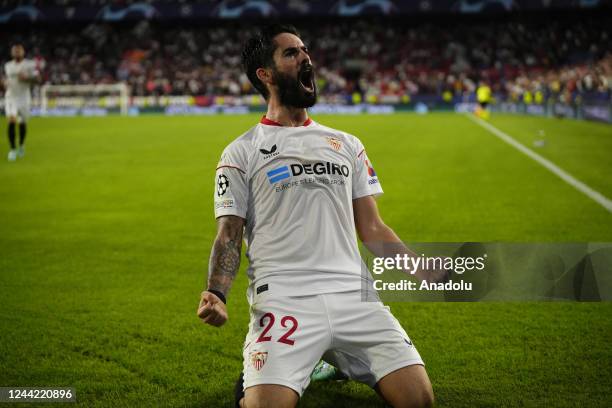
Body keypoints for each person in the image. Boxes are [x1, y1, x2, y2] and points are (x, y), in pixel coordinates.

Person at [197, 24, 444, 408]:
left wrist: (420, 270)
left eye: (305, 50)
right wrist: (216, 293)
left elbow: (373, 227)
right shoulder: (240, 152)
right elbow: (229, 233)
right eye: (291, 53)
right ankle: (260, 375)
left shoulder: (347, 144)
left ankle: (328, 358)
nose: (305, 57)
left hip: (354, 297)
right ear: (266, 74)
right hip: (284, 299)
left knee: (419, 400)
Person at [4, 44, 39, 162]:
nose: (17, 53)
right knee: (11, 121)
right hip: (11, 97)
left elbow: (38, 80)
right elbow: (7, 82)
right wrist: (3, 85)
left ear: (23, 52)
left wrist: (27, 78)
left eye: (19, 51)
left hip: (24, 98)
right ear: (12, 53)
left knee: (22, 123)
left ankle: (21, 145)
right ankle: (13, 150)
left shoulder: (30, 64)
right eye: (15, 51)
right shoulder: (8, 66)